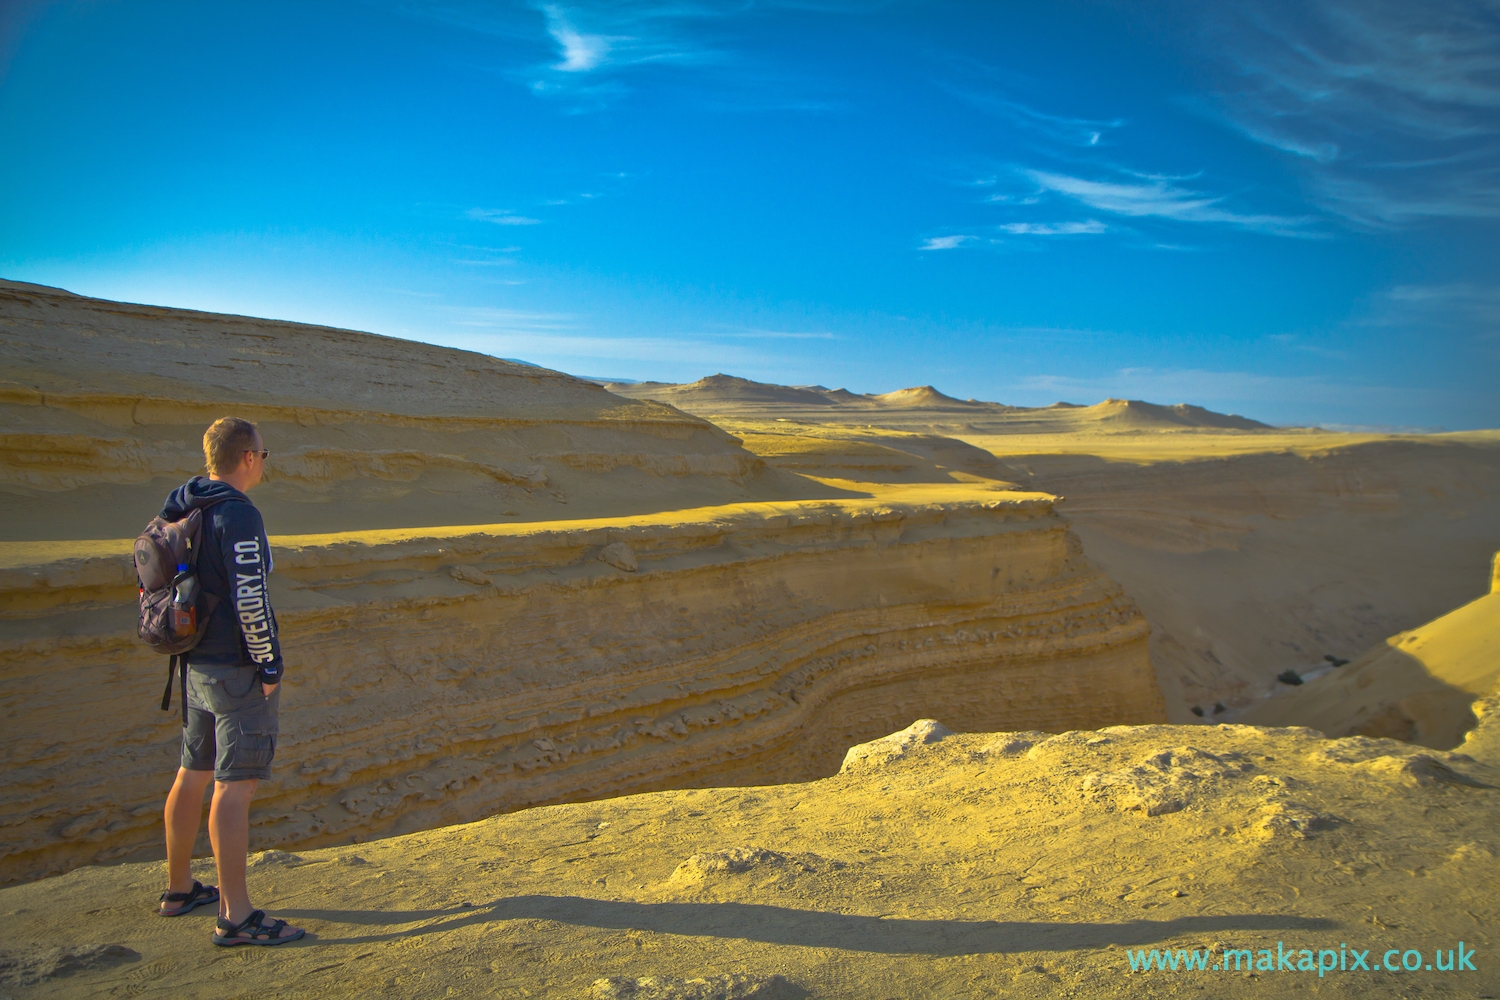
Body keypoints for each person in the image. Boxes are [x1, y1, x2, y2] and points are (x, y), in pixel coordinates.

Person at [156, 417, 303, 946]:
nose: (264, 463)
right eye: (264, 454)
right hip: (235, 670)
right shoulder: (238, 513)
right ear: (247, 458)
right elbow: (250, 598)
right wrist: (268, 666)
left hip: (192, 664)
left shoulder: (184, 505)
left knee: (191, 773)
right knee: (233, 788)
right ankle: (235, 916)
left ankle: (178, 890)